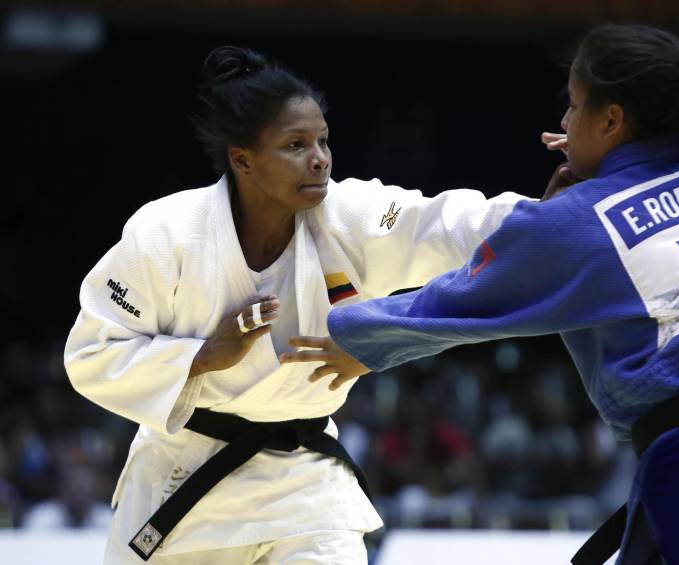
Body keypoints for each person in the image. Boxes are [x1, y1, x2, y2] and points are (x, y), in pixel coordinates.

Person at [282, 25, 679, 564]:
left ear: (612, 120)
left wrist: (355, 339)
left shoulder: (582, 219)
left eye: (574, 106)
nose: (564, 124)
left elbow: (463, 300)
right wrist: (593, 176)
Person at [63, 45, 525, 564]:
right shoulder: (166, 233)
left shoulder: (346, 215)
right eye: (295, 144)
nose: (320, 158)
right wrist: (203, 355)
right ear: (243, 160)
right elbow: (92, 354)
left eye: (323, 140)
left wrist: (543, 219)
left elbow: (440, 221)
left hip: (306, 486)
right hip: (186, 479)